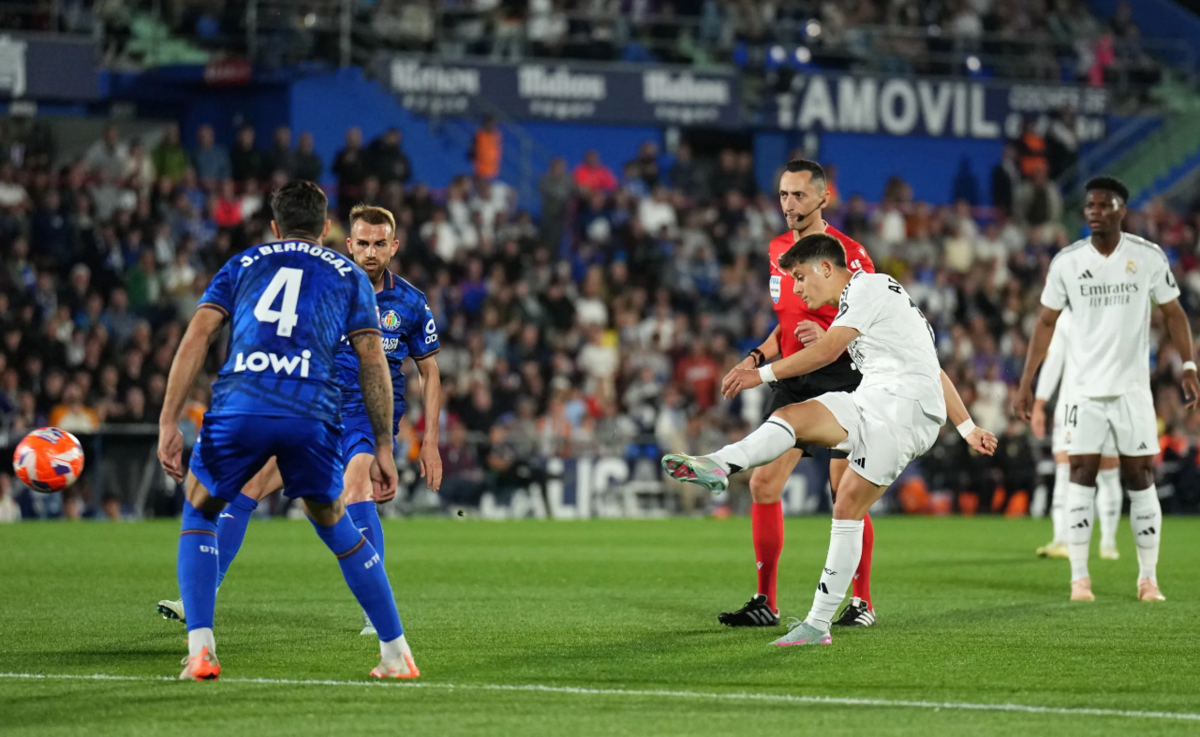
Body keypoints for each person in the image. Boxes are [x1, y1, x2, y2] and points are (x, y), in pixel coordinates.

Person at [662, 233, 997, 646]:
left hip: (905, 414)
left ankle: (819, 624)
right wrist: (968, 429)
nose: (798, 288)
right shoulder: (864, 301)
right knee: (792, 416)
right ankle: (720, 465)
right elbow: (934, 367)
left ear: (825, 268)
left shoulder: (869, 286)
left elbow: (830, 355)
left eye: (800, 277)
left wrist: (760, 374)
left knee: (847, 505)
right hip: (872, 399)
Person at [157, 181, 416, 680]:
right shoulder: (349, 275)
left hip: (242, 405)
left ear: (274, 227)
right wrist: (385, 443)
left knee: (201, 506)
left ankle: (202, 649)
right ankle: (395, 651)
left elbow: (197, 335)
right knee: (335, 523)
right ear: (326, 229)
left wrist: (170, 420)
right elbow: (372, 359)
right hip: (312, 412)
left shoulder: (243, 264)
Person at [1015, 176, 1198, 603]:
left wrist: (1188, 364)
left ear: (1121, 210)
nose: (1095, 211)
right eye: (1090, 206)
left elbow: (1174, 313)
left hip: (1133, 391)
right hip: (1082, 391)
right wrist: (1029, 382)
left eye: (1104, 204)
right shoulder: (1066, 262)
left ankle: (1148, 578)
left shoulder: (1147, 257)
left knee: (1140, 476)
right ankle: (1080, 579)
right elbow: (1044, 323)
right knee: (1081, 475)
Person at [718, 159, 879, 630]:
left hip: (840, 376)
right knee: (763, 484)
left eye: (799, 196)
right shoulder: (777, 250)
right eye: (784, 195)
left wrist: (827, 329)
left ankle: (862, 601)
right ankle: (765, 600)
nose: (789, 205)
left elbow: (869, 317)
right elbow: (785, 322)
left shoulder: (851, 254)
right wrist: (754, 357)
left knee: (845, 491)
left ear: (823, 199)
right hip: (791, 376)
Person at [1029, 307, 1122, 561]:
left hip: (1105, 400)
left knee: (1105, 468)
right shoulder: (1069, 317)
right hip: (1075, 404)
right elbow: (1055, 358)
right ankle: (1065, 539)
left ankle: (1106, 541)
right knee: (1067, 468)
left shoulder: (1111, 309)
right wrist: (1040, 402)